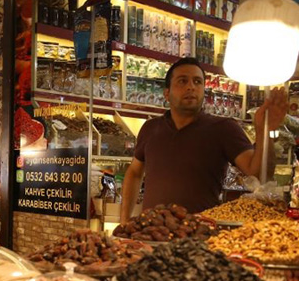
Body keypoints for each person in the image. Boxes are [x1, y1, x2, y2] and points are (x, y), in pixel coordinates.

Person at [120, 57, 288, 222]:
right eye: (182, 81)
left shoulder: (224, 128)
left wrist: (264, 131)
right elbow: (134, 172)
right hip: (151, 231)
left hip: (201, 233)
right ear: (167, 93)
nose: (191, 87)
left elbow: (258, 174)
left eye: (197, 82)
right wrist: (124, 219)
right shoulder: (150, 128)